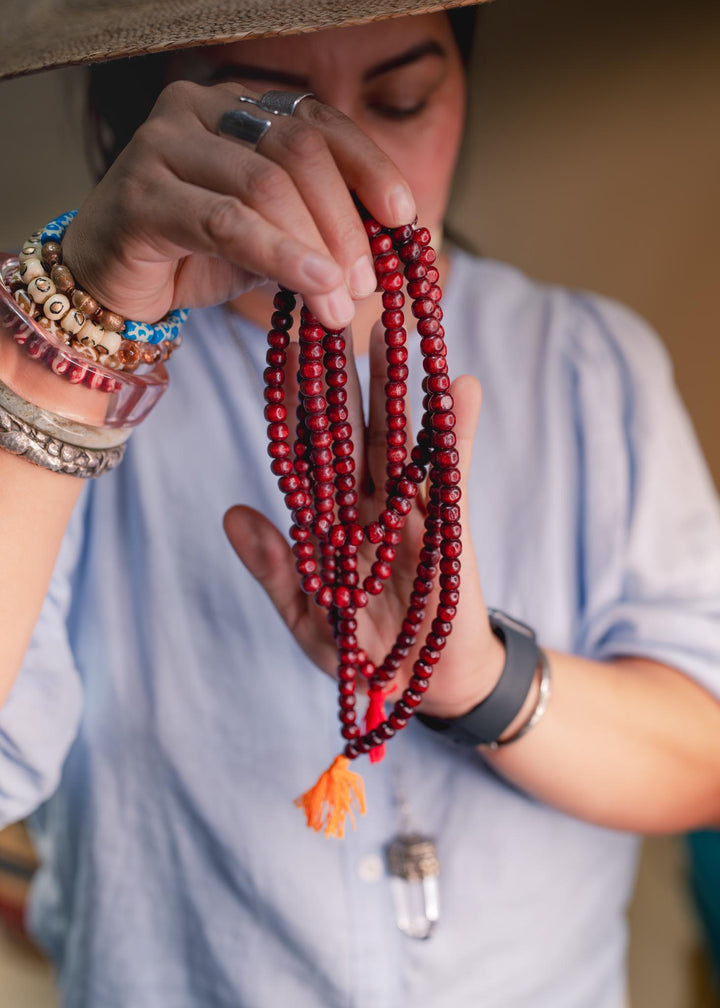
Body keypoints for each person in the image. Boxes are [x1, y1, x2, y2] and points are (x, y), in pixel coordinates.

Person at [1, 1, 720, 1005]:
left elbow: (704, 748)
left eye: (401, 98)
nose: (337, 165)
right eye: (262, 111)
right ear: (142, 114)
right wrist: (73, 336)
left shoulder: (586, 365)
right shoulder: (36, 370)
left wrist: (471, 677)